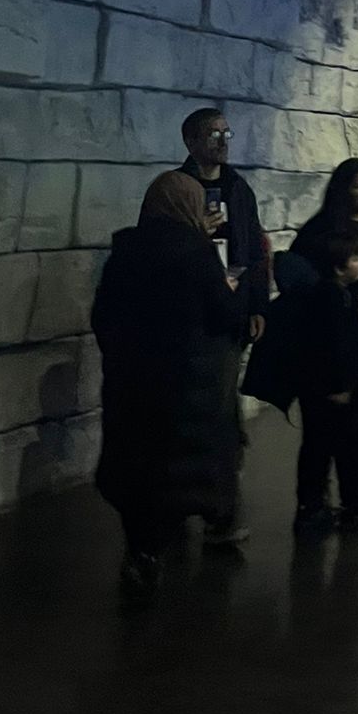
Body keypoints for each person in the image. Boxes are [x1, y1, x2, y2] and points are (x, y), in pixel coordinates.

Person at [92, 173, 245, 596]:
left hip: (131, 383)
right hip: (184, 386)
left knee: (136, 467)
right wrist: (230, 288)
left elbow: (102, 317)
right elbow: (225, 313)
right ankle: (189, 539)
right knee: (179, 469)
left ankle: (142, 552)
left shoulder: (125, 253)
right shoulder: (196, 253)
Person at [288, 160, 358, 519]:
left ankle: (356, 492)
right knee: (321, 425)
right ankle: (313, 500)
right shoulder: (321, 231)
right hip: (326, 338)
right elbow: (296, 275)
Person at [288, 229, 358, 536]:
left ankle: (320, 508)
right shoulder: (332, 298)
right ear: (339, 266)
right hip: (329, 391)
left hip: (321, 388)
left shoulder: (332, 294)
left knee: (322, 447)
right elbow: (333, 349)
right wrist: (340, 387)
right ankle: (321, 510)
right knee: (325, 448)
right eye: (356, 258)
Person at [179, 107, 270, 340]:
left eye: (226, 134)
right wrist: (195, 231)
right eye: (213, 135)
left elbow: (255, 250)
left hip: (233, 305)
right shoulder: (176, 188)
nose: (222, 142)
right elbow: (158, 248)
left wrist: (257, 306)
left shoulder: (238, 188)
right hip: (190, 308)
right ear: (191, 143)